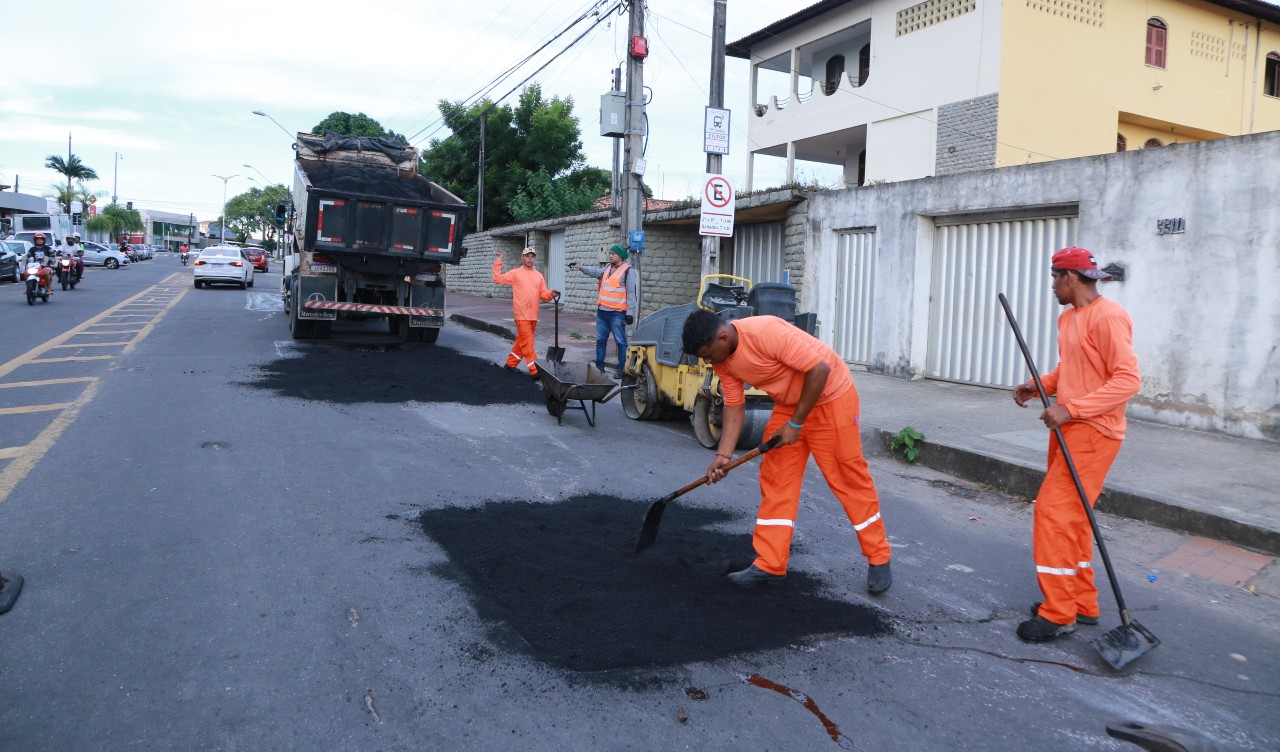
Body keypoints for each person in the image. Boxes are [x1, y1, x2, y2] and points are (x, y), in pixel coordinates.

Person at [681, 309, 893, 594]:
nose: (708, 361)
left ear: (723, 336)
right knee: (776, 477)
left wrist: (795, 424)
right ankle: (770, 563)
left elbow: (820, 370)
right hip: (792, 403)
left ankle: (878, 556)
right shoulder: (722, 360)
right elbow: (734, 405)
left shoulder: (765, 332)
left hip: (831, 397)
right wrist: (723, 455)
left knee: (847, 477)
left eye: (709, 355)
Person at [1012, 247, 1141, 643]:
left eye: (1055, 278)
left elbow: (1127, 380)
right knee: (1073, 519)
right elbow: (1073, 369)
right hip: (1069, 431)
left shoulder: (1109, 316)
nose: (1052, 286)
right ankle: (1082, 603)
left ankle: (1058, 612)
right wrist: (1039, 387)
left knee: (1052, 514)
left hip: (1095, 432)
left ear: (1070, 277)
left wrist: (1072, 410)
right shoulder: (1069, 318)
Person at [570, 244, 636, 379]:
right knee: (601, 341)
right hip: (602, 312)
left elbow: (631, 294)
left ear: (621, 256)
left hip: (617, 314)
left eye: (613, 254)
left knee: (621, 342)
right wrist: (580, 267)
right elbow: (595, 273)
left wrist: (630, 313)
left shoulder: (628, 271)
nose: (610, 255)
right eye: (610, 253)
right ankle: (599, 368)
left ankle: (620, 369)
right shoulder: (607, 268)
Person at [491, 247, 557, 380]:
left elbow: (543, 295)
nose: (530, 259)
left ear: (535, 259)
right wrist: (498, 261)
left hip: (533, 315)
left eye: (532, 256)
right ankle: (535, 370)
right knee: (528, 343)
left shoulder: (538, 275)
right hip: (521, 314)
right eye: (527, 256)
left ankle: (510, 364)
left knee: (522, 341)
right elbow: (497, 279)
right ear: (522, 257)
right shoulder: (516, 273)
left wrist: (551, 294)